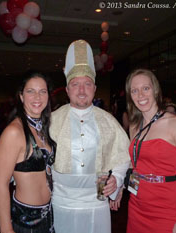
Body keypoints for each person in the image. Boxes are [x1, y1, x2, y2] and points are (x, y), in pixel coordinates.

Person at [49, 39, 131, 233]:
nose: (82, 90)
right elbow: (33, 153)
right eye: (75, 84)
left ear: (94, 89)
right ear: (67, 90)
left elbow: (123, 154)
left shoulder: (108, 120)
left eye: (87, 84)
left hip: (96, 203)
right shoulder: (51, 120)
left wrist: (117, 179)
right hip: (61, 203)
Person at [120, 69, 176, 233]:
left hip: (166, 205)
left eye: (145, 88)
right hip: (136, 205)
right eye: (134, 90)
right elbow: (135, 167)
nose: (140, 95)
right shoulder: (134, 126)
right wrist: (121, 189)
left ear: (155, 90)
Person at [0, 72, 56, 233]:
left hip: (49, 216)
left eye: (42, 91)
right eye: (30, 91)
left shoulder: (44, 128)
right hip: (25, 221)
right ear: (21, 96)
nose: (37, 97)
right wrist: (6, 228)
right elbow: (0, 184)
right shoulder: (14, 132)